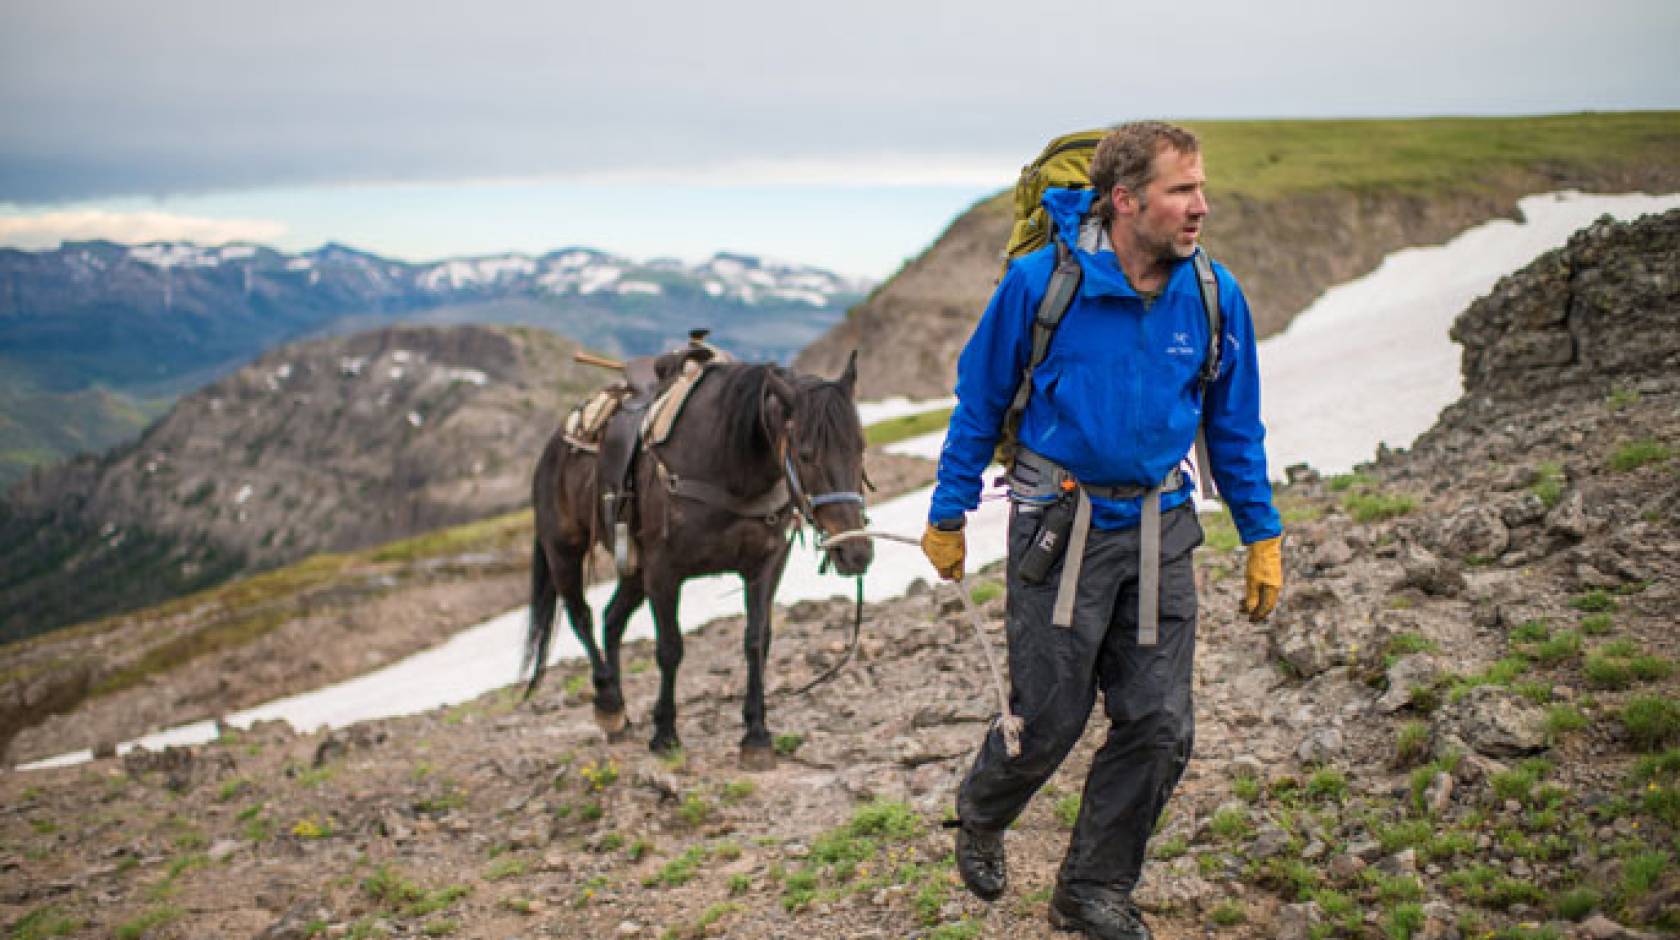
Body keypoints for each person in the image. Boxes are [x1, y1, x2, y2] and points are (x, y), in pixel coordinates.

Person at [919, 121, 1284, 940]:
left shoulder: (1215, 295)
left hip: (1162, 529)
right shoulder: (1038, 284)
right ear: (1125, 201)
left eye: (1201, 188)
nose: (1201, 207)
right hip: (1061, 528)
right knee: (1048, 718)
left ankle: (1090, 890)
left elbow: (1234, 427)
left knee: (1160, 725)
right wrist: (948, 512)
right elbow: (979, 402)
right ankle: (982, 809)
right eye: (1181, 191)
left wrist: (1263, 535)